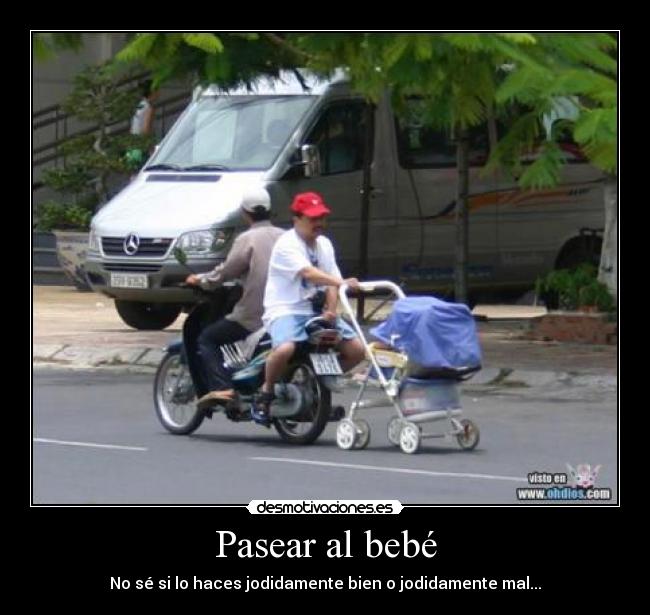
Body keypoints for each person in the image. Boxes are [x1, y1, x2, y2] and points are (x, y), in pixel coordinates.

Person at [251, 191, 365, 426]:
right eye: (313, 219)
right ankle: (266, 392)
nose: (319, 224)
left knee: (357, 350)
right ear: (297, 219)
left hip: (314, 312)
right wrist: (341, 283)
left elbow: (331, 279)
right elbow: (309, 273)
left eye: (322, 218)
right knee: (284, 349)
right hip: (285, 309)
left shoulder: (324, 245)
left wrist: (331, 311)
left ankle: (314, 385)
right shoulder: (287, 244)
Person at [185, 187, 284, 410]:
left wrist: (200, 280)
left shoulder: (247, 239)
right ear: (269, 210)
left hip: (254, 314)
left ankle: (223, 388)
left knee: (207, 339)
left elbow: (225, 272)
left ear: (245, 212)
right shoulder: (284, 236)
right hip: (282, 311)